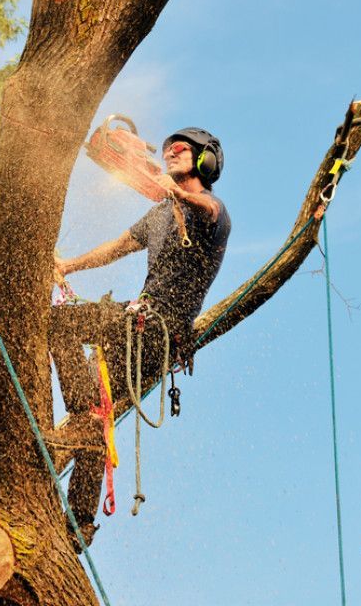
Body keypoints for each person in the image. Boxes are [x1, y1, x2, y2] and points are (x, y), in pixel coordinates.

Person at [48, 127, 231, 549]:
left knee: (62, 325)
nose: (171, 153)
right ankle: (80, 519)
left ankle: (82, 412)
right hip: (131, 328)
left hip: (157, 333)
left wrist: (179, 193)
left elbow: (208, 208)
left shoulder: (211, 212)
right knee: (93, 410)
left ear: (206, 161)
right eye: (168, 150)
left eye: (182, 150)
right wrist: (68, 265)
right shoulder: (158, 214)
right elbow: (116, 247)